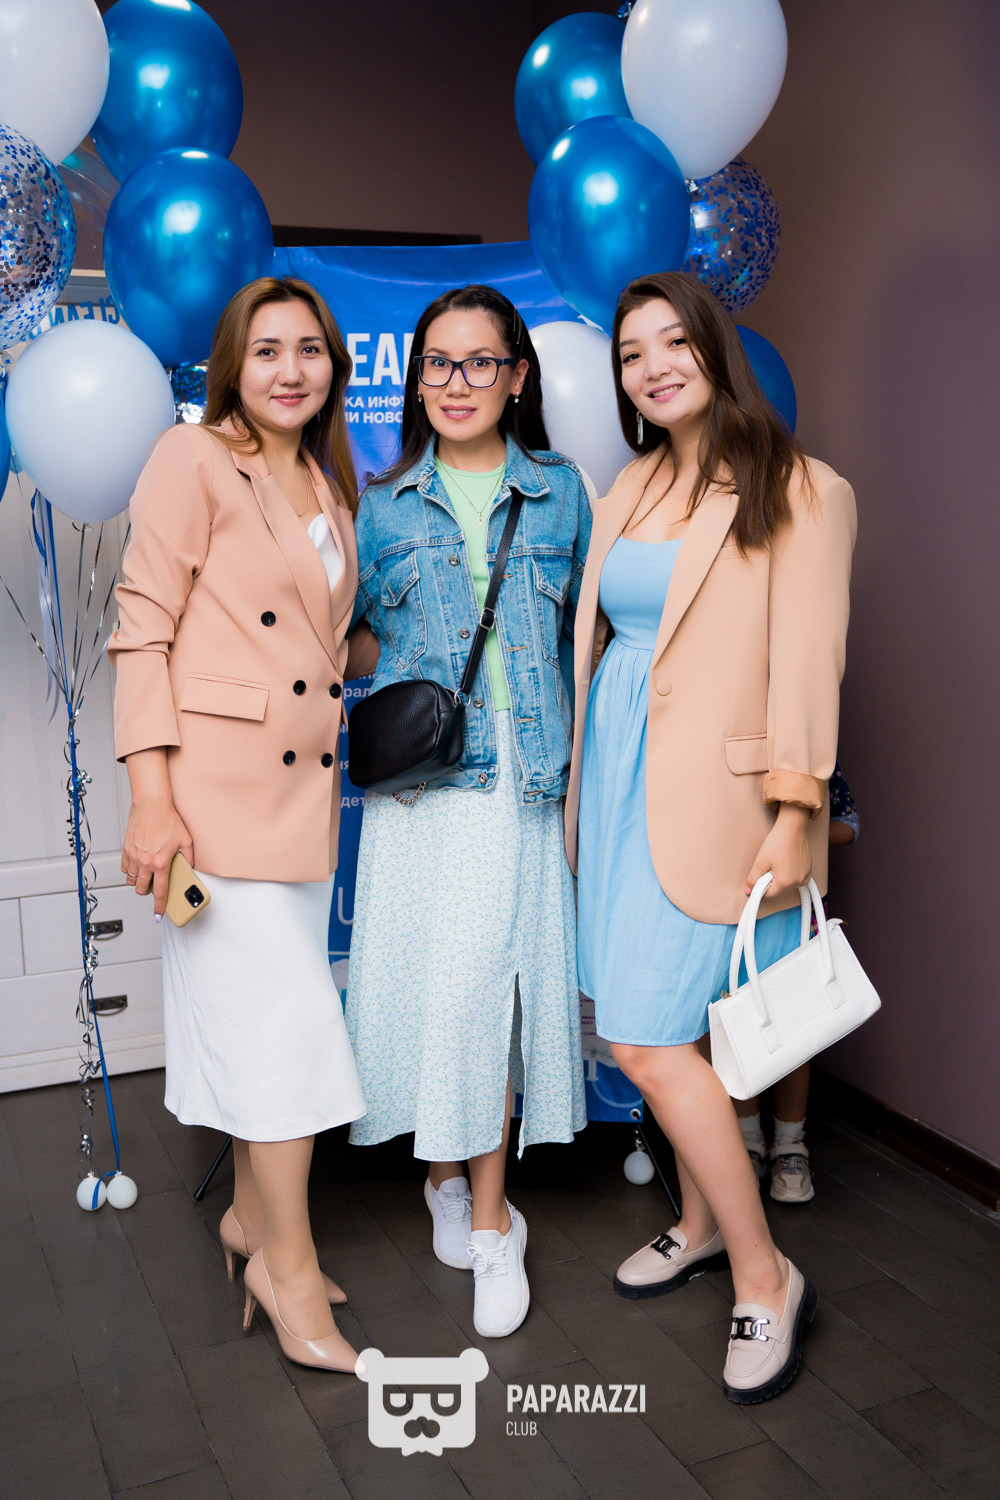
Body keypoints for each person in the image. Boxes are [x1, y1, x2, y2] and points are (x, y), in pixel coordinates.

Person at [567, 271, 856, 1402]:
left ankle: (764, 1275)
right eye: (630, 353)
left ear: (712, 348)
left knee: (649, 1040)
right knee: (663, 1030)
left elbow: (808, 663)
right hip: (621, 784)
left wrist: (796, 812)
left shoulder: (800, 485)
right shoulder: (628, 484)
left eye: (672, 342)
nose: (652, 367)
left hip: (725, 802)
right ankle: (694, 1224)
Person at [110, 276, 377, 1375]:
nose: (289, 369)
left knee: (274, 1027)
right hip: (214, 802)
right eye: (267, 349)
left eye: (309, 349)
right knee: (291, 1033)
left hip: (300, 803)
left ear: (333, 367)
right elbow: (142, 628)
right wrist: (151, 797)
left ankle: (250, 1223)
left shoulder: (324, 480)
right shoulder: (193, 457)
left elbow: (320, 643)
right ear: (234, 364)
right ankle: (289, 1269)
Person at [345, 284, 590, 1339]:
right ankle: (442, 1178)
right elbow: (354, 637)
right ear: (416, 381)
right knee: (432, 993)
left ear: (517, 376)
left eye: (479, 362)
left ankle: (493, 1224)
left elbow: (587, 640)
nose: (456, 383)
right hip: (422, 791)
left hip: (520, 788)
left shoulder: (563, 493)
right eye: (437, 364)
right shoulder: (383, 504)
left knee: (490, 998)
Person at [735, 762, 860, 1203]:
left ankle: (790, 1146)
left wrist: (796, 836)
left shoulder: (810, 763)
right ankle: (746, 1142)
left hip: (796, 915)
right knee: (740, 1029)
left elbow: (849, 824)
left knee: (795, 1035)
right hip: (736, 912)